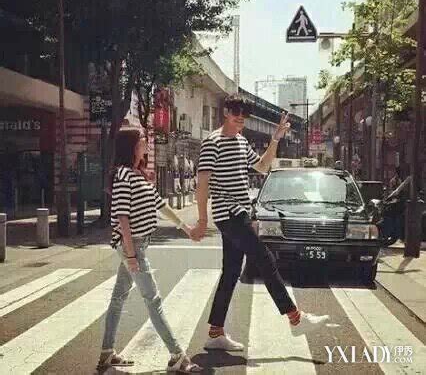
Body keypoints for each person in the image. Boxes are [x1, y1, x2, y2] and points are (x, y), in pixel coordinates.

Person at [191, 94, 330, 351]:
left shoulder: (241, 141)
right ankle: (295, 318)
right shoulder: (213, 142)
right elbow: (202, 183)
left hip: (240, 212)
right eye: (236, 112)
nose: (240, 118)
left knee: (231, 272)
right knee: (264, 258)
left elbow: (263, 167)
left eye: (244, 114)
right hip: (229, 213)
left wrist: (275, 138)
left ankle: (215, 333)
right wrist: (201, 219)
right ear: (226, 112)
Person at [97, 127, 201, 373]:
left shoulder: (139, 174)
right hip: (131, 244)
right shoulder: (124, 175)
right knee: (153, 300)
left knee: (118, 298)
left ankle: (107, 353)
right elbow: (122, 217)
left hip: (139, 243)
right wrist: (131, 255)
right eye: (143, 140)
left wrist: (186, 228)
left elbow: (160, 205)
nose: (147, 142)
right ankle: (177, 356)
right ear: (132, 146)